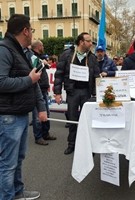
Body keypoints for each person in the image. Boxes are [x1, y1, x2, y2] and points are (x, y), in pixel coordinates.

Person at [0, 14, 47, 200]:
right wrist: (29, 79)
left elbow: (32, 83)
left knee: (17, 160)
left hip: (19, 114)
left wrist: (40, 106)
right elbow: (1, 82)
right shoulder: (4, 50)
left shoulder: (19, 50)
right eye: (31, 30)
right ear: (25, 31)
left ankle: (17, 192)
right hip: (8, 116)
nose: (32, 34)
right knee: (8, 163)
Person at [54, 32, 100, 155]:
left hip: (86, 92)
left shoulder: (92, 58)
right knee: (73, 119)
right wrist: (57, 93)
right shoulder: (66, 55)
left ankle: (89, 145)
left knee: (88, 120)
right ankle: (71, 144)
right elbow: (59, 74)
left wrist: (98, 94)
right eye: (89, 41)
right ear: (81, 42)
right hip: (72, 92)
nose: (91, 43)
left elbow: (96, 76)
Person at [31, 40, 57, 145]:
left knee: (46, 113)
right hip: (38, 90)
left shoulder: (40, 58)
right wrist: (42, 62)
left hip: (43, 89)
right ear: (38, 46)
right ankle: (38, 136)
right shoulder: (33, 58)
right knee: (38, 114)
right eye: (42, 45)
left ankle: (45, 133)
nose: (43, 47)